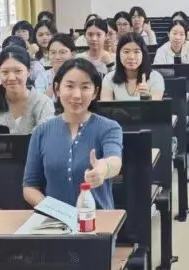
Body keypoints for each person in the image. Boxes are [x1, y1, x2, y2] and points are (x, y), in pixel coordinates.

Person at [23, 58, 123, 208]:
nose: (77, 95)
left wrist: (103, 168)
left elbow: (115, 161)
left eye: (85, 87)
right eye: (69, 86)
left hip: (97, 219)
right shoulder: (41, 132)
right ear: (57, 89)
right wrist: (52, 209)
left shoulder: (109, 127)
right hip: (54, 220)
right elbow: (30, 187)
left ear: (95, 92)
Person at [154, 19, 189, 167]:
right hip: (167, 95)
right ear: (168, 34)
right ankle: (168, 152)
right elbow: (157, 74)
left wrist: (177, 74)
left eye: (181, 34)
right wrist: (181, 72)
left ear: (185, 36)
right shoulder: (162, 51)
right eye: (174, 33)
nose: (177, 37)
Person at [0, 46, 54, 135]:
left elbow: (46, 137)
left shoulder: (43, 102)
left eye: (18, 71)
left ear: (28, 72)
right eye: (5, 72)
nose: (11, 78)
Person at [101, 34, 166, 101]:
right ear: (119, 54)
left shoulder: (156, 78)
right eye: (126, 52)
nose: (131, 57)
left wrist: (147, 97)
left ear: (143, 54)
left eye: (136, 52)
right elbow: (106, 105)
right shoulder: (109, 78)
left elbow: (157, 105)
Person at [39, 33, 76, 97]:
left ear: (73, 55)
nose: (57, 57)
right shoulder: (42, 77)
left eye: (62, 52)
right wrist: (55, 82)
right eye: (53, 52)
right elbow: (39, 102)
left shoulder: (81, 75)